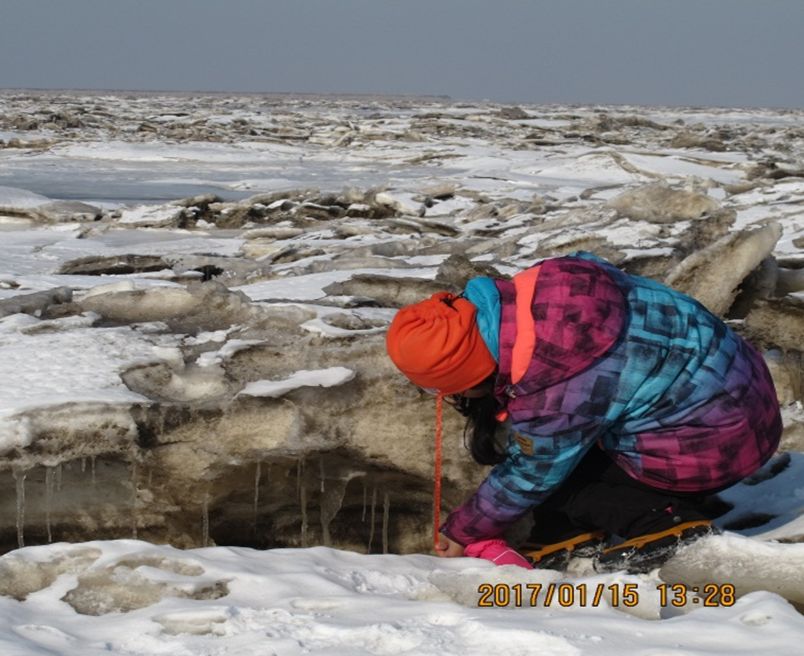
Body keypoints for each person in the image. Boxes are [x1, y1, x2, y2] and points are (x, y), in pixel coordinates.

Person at [385, 251, 782, 572]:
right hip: (746, 398)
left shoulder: (556, 378)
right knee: (560, 447)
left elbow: (532, 473)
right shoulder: (544, 288)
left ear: (469, 371)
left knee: (555, 475)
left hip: (716, 446)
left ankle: (664, 522)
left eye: (447, 387)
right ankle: (564, 532)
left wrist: (464, 531)